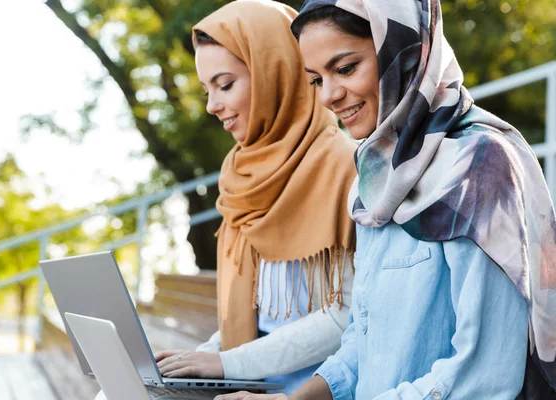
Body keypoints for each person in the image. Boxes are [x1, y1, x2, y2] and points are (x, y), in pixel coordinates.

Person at [215, 0, 556, 399]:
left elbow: (483, 374)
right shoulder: (375, 177)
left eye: (345, 69)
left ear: (404, 51)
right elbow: (364, 340)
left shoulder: (479, 165)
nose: (328, 95)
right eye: (315, 79)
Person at [155, 0, 358, 394]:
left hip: (309, 391)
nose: (213, 106)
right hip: (245, 382)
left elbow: (347, 316)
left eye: (225, 84)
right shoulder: (240, 174)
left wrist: (226, 363)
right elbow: (256, 314)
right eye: (206, 89)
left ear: (273, 74)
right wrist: (199, 358)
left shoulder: (344, 164)